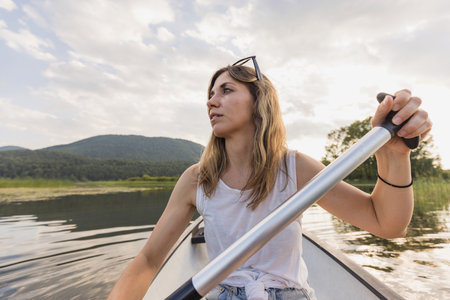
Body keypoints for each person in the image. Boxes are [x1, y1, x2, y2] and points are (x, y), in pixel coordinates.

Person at [107, 56, 432, 300]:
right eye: (211, 93)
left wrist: (394, 154)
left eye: (226, 90)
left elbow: (387, 224)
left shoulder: (294, 168)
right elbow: (149, 261)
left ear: (258, 101)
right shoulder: (197, 180)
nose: (211, 100)